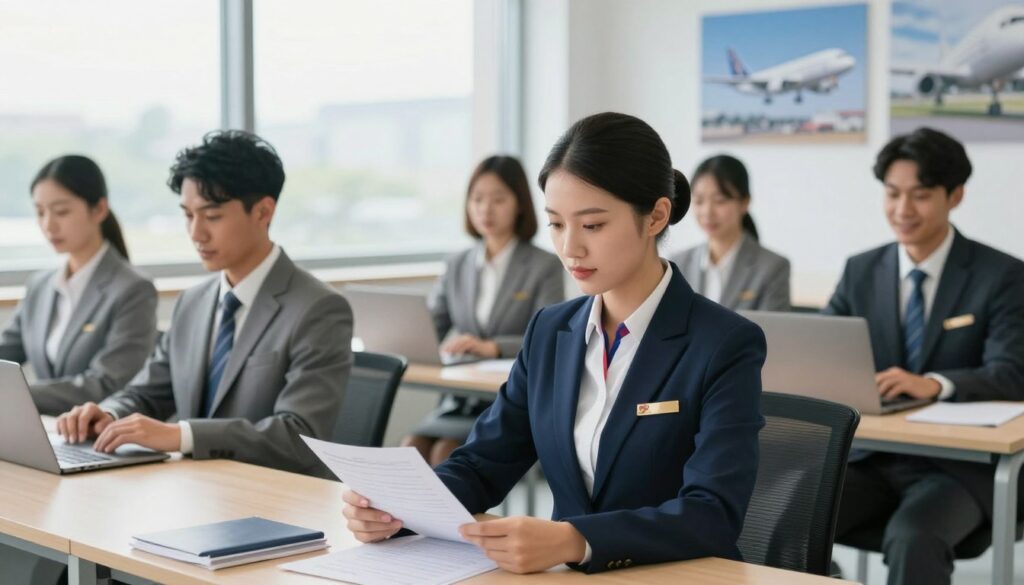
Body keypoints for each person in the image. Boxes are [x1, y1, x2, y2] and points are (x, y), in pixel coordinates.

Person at [342, 112, 766, 574]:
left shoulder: (724, 343)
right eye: (557, 224)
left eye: (593, 225)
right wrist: (397, 511)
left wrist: (575, 540)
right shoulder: (550, 331)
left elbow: (712, 514)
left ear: (656, 216)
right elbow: (483, 464)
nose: (570, 249)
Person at [54, 130, 353, 477]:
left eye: (212, 216)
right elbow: (148, 392)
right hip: (197, 488)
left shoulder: (319, 308)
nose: (196, 234)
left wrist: (180, 435)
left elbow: (299, 434)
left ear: (262, 212)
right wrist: (110, 414)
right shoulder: (193, 302)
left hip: (276, 500)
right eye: (187, 215)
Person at [826, 127, 1024, 585]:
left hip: (958, 468)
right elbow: (824, 349)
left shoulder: (1002, 276)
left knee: (913, 537)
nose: (902, 210)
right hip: (872, 457)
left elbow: (1013, 372)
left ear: (955, 196)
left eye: (920, 195)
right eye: (892, 194)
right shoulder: (862, 271)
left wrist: (936, 384)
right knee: (784, 511)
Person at [403, 155, 564, 466]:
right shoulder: (457, 264)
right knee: (410, 448)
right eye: (477, 199)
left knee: (444, 452)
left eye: (498, 199)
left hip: (508, 398)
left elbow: (551, 335)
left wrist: (492, 347)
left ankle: (453, 518)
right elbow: (432, 323)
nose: (485, 209)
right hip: (460, 398)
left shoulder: (543, 265)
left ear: (520, 204)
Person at [0, 155, 157, 415]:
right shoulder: (40, 285)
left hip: (100, 436)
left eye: (61, 211)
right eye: (40, 212)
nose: (49, 224)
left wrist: (20, 394)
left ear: (99, 210)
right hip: (48, 432)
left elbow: (108, 383)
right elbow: (5, 354)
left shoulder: (133, 289)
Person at [671, 155, 790, 311]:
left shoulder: (772, 267)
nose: (707, 212)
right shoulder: (678, 264)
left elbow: (773, 332)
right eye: (699, 201)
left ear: (744, 202)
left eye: (720, 201)